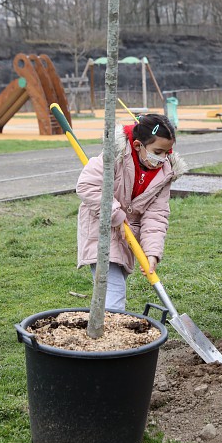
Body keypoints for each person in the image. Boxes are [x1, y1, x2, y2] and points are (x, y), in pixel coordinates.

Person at [76, 114, 186, 310]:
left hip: (128, 236)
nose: (162, 159)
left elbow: (156, 216)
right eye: (158, 152)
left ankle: (99, 326)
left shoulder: (164, 174)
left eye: (167, 153)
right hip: (101, 229)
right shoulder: (113, 156)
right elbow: (87, 186)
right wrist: (115, 214)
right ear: (137, 146)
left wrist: (152, 252)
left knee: (110, 290)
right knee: (114, 292)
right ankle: (111, 331)